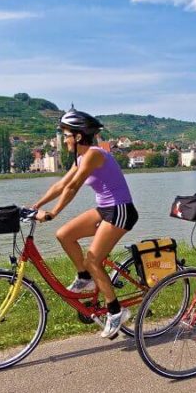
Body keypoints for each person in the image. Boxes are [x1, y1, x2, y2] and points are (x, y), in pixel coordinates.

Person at [31, 107, 139, 339]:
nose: (64, 139)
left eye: (67, 134)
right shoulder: (81, 157)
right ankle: (85, 278)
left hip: (120, 210)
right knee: (64, 235)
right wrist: (35, 206)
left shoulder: (94, 154)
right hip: (104, 210)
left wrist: (53, 212)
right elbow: (61, 184)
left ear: (78, 136)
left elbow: (73, 187)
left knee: (92, 259)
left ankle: (116, 311)